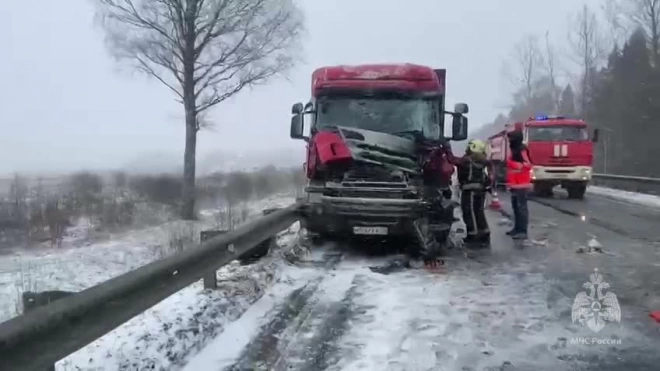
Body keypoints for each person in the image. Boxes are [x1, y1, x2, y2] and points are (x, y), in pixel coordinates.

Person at [447, 139, 492, 245]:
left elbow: (453, 160)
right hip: (480, 190)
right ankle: (484, 233)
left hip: (469, 190)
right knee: (479, 212)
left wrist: (447, 149)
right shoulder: (483, 160)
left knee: (469, 212)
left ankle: (473, 235)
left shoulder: (467, 160)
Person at [506, 130, 533, 239]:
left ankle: (522, 231)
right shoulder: (514, 149)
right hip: (514, 184)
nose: (509, 141)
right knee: (516, 208)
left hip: (521, 184)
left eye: (510, 138)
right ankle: (517, 228)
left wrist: (513, 164)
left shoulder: (521, 149)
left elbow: (528, 164)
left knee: (521, 208)